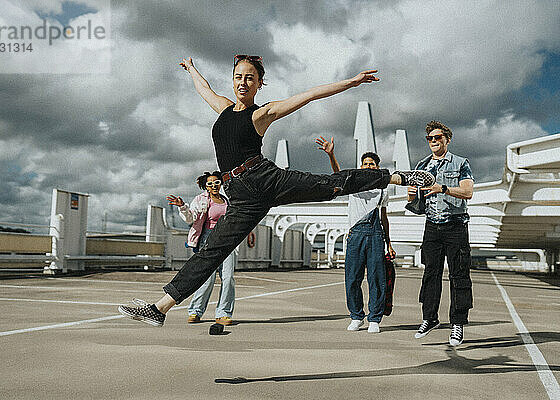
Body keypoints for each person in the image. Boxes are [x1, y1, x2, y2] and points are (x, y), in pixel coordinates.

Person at [118, 55, 434, 327]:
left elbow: (308, 95)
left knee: (327, 185)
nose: (243, 82)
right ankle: (160, 309)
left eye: (250, 79)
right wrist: (191, 69)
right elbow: (205, 89)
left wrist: (350, 83)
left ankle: (395, 178)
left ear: (259, 84)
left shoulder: (261, 113)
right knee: (213, 249)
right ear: (233, 80)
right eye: (238, 77)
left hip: (263, 178)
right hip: (239, 194)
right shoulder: (224, 109)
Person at [316, 136, 395, 333]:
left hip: (375, 235)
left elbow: (384, 218)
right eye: (365, 163)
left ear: (377, 168)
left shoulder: (383, 190)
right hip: (355, 234)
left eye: (372, 164)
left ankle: (374, 318)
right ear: (360, 167)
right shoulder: (353, 184)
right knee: (352, 278)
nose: (368, 166)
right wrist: (331, 154)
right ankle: (356, 316)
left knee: (376, 278)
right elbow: (338, 174)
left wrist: (389, 243)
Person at [409, 121, 474, 346]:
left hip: (456, 226)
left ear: (447, 139)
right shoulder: (422, 165)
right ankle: (429, 318)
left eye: (438, 137)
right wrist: (411, 195)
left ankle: (457, 323)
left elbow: (468, 192)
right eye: (430, 138)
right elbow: (417, 201)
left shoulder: (460, 163)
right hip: (432, 226)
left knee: (458, 275)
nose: (434, 141)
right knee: (430, 274)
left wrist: (443, 188)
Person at [167, 171, 236, 326]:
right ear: (205, 186)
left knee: (228, 278)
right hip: (207, 239)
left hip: (227, 239)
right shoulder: (201, 200)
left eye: (216, 182)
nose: (213, 186)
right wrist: (182, 207)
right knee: (206, 279)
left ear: (221, 184)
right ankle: (195, 311)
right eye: (210, 184)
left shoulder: (227, 201)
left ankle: (223, 314)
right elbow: (190, 218)